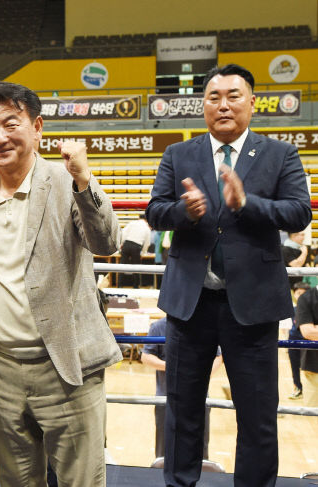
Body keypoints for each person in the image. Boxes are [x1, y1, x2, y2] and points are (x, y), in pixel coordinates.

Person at [145, 64, 312, 487]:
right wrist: (186, 211)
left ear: (252, 102)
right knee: (182, 411)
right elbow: (155, 211)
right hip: (189, 306)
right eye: (213, 97)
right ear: (202, 104)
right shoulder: (178, 154)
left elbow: (298, 212)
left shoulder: (280, 154)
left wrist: (247, 202)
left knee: (257, 416)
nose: (223, 104)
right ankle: (179, 483)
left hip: (252, 308)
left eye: (233, 95)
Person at [0, 80, 121, 487]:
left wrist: (84, 178)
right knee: (17, 481)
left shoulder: (66, 182)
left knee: (80, 480)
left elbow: (106, 242)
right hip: (4, 370)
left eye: (11, 124)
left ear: (37, 127)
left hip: (68, 366)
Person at [141, 317, 223, 460]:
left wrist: (203, 373)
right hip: (165, 397)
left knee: (200, 446)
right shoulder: (158, 326)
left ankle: (201, 477)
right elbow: (146, 356)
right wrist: (173, 368)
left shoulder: (205, 323)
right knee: (164, 446)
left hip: (199, 396)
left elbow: (218, 356)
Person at [119, 214, 151, 288]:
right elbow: (147, 243)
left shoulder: (132, 223)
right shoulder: (146, 228)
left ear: (139, 218)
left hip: (126, 244)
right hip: (136, 246)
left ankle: (120, 285)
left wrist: (121, 244)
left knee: (121, 266)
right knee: (136, 267)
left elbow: (123, 233)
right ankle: (136, 286)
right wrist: (143, 253)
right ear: (146, 220)